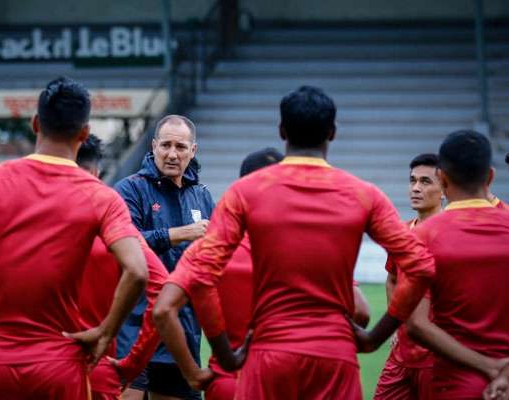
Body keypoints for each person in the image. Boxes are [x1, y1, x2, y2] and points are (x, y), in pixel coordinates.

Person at [154, 86, 436, 400]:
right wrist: (375, 338)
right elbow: (421, 266)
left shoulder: (245, 194)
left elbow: (186, 288)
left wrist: (227, 355)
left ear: (282, 130)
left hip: (268, 356)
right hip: (334, 357)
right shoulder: (363, 194)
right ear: (332, 132)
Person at [0, 77, 148, 400]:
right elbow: (138, 271)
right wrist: (105, 331)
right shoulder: (102, 197)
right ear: (84, 134)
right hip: (59, 364)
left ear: (35, 124)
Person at [114, 115, 214, 400]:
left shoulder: (202, 196)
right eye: (166, 145)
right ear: (154, 146)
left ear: (192, 151)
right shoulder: (129, 189)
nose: (172, 154)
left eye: (181, 147)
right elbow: (124, 245)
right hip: (133, 329)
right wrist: (180, 233)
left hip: (182, 333)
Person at [405, 130, 509, 399]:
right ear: (490, 176)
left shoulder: (423, 236)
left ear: (442, 177)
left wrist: (488, 366)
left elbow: (416, 324)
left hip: (454, 384)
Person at [74, 135, 169, 399]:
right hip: (97, 364)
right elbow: (160, 286)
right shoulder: (110, 212)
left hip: (35, 361)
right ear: (96, 171)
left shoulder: (31, 210)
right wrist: (133, 363)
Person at [374, 153, 444, 400]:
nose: (415, 188)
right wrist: (396, 324)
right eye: (412, 180)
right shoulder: (401, 232)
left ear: (445, 187)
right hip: (401, 352)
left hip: (438, 356)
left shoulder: (452, 234)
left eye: (425, 182)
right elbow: (392, 278)